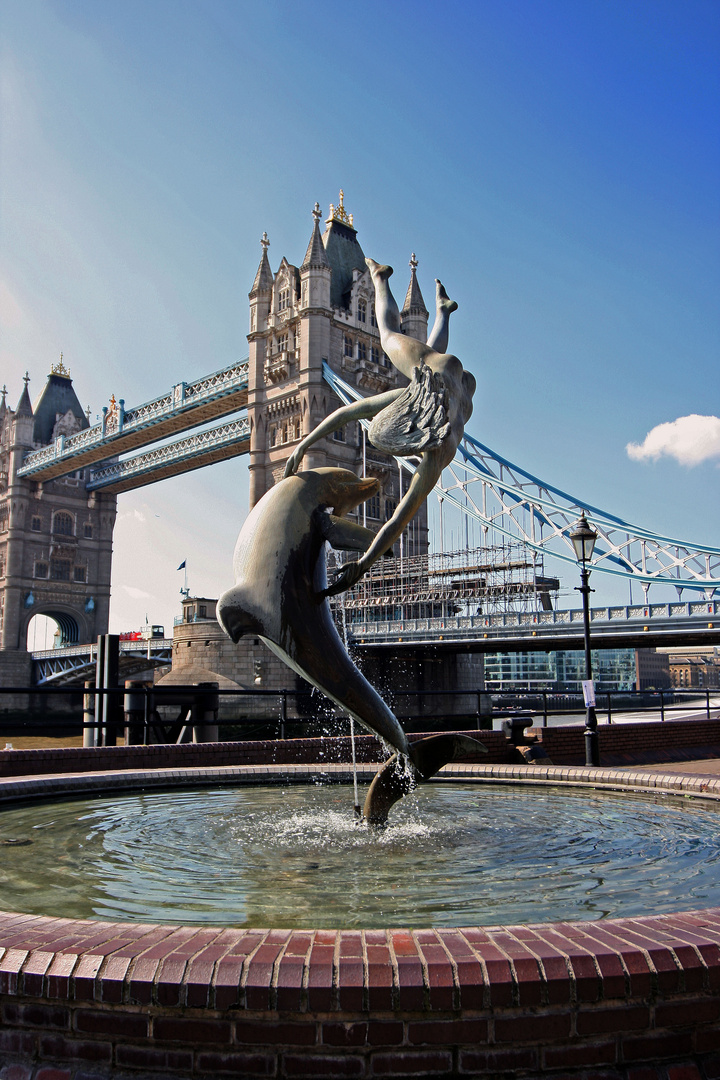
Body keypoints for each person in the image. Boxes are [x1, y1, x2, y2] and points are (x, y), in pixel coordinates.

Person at [284, 258, 476, 594]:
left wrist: (304, 441)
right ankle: (399, 289)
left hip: (456, 385)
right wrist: (303, 445)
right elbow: (397, 522)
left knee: (389, 337)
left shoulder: (422, 414)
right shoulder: (419, 404)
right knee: (396, 340)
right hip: (445, 376)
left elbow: (395, 521)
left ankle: (388, 283)